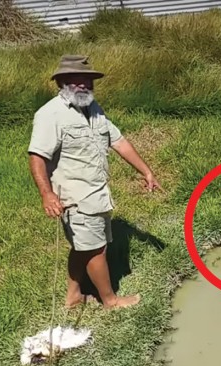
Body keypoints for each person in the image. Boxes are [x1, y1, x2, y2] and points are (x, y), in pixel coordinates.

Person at [27, 55, 161, 309]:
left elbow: (118, 141)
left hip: (97, 193)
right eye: (77, 82)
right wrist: (47, 194)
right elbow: (37, 157)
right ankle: (110, 300)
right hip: (75, 197)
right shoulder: (49, 115)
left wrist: (146, 171)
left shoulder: (93, 107)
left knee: (83, 246)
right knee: (95, 249)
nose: (84, 87)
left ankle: (73, 295)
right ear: (62, 83)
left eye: (88, 81)